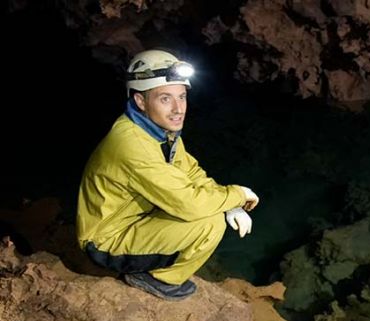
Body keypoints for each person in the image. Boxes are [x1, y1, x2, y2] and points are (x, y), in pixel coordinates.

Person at [76, 49, 259, 300]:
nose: (178, 109)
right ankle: (154, 279)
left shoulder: (159, 131)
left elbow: (191, 172)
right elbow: (189, 205)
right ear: (140, 101)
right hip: (105, 240)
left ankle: (153, 268)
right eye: (165, 99)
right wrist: (236, 196)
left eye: (182, 97)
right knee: (209, 222)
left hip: (139, 218)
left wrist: (227, 204)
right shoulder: (131, 145)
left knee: (212, 210)